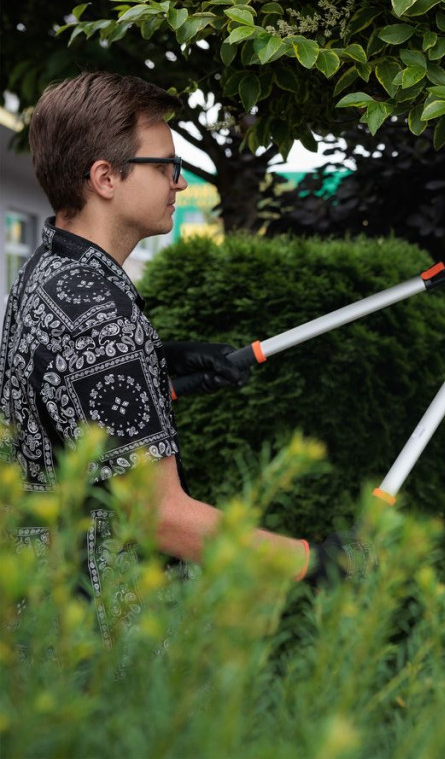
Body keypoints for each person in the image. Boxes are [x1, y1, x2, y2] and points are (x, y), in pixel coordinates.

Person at [0, 71, 371, 644]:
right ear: (105, 178)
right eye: (166, 165)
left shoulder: (44, 272)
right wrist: (311, 562)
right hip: (103, 636)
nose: (179, 181)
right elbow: (159, 514)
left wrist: (159, 367)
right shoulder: (100, 314)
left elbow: (58, 406)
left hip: (44, 608)